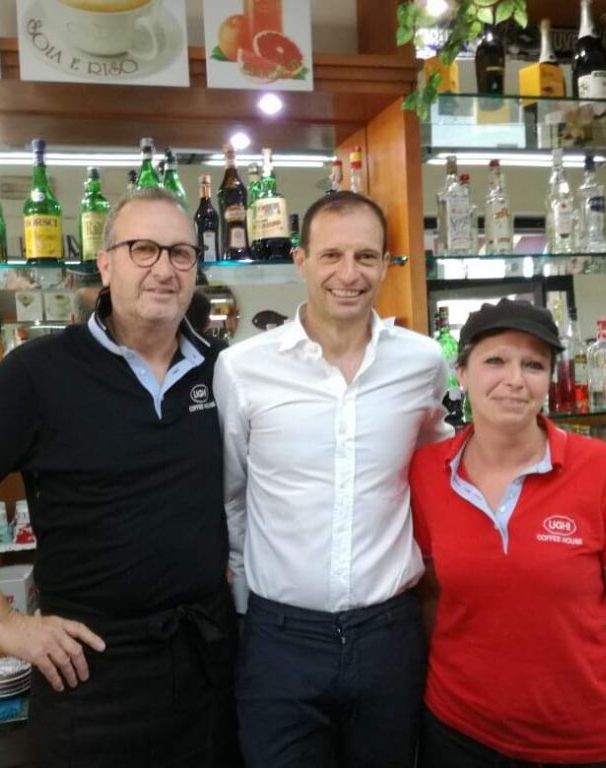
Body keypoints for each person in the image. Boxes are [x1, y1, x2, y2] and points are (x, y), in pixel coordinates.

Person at [0, 188, 240, 767]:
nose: (164, 269)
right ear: (106, 264)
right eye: (144, 249)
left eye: (181, 253)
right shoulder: (41, 371)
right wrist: (2, 623)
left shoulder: (223, 368)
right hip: (89, 674)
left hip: (207, 665)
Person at [214, 191, 451, 767]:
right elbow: (231, 495)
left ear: (386, 264)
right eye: (331, 256)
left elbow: (433, 474)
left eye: (366, 257)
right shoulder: (243, 368)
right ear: (300, 260)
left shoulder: (422, 362)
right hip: (279, 639)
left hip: (388, 634)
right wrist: (249, 600)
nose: (349, 274)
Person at [409, 298, 606, 767]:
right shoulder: (428, 472)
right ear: (461, 374)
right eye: (495, 361)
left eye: (533, 365)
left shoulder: (599, 468)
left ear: (550, 378)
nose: (515, 379)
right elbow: (430, 599)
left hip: (584, 742)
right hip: (459, 734)